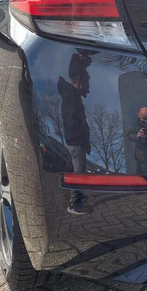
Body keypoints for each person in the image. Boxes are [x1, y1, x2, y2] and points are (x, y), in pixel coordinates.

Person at [58, 53, 92, 215]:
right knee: (78, 172)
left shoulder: (71, 94)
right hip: (75, 141)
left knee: (79, 170)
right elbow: (72, 119)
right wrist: (80, 139)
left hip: (76, 141)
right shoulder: (71, 95)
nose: (88, 86)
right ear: (80, 80)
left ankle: (79, 199)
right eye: (86, 82)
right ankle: (75, 204)